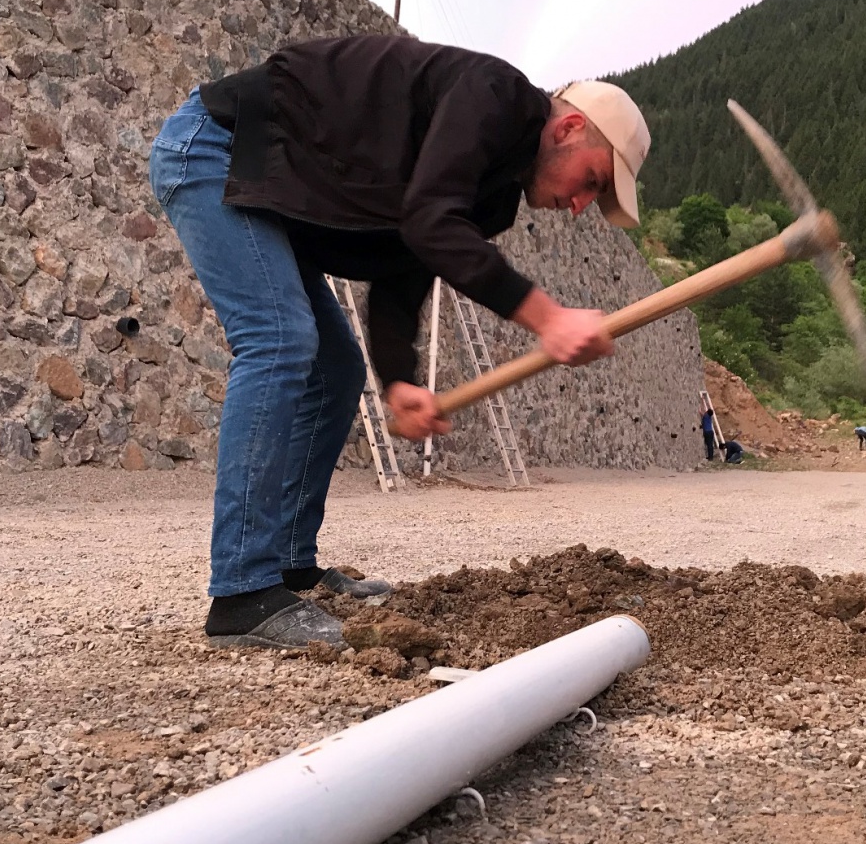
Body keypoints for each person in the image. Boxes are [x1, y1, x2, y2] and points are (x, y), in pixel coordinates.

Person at [149, 35, 652, 650]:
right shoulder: (494, 97)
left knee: (336, 368)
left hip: (264, 188)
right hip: (217, 153)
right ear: (570, 127)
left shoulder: (494, 192)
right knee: (280, 341)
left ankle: (287, 568)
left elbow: (407, 257)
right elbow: (429, 222)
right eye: (593, 182)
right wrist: (546, 317)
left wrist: (399, 380)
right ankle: (241, 594)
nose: (580, 206)